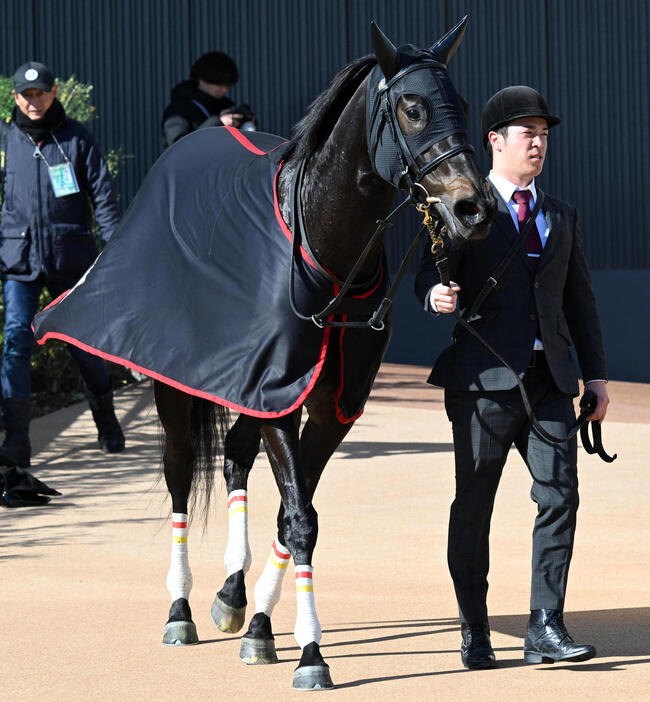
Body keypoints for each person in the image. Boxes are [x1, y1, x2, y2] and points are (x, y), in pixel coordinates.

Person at [415, 86, 609, 669]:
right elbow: (428, 271)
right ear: (495, 141)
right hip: (481, 382)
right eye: (527, 133)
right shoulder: (462, 206)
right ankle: (475, 626)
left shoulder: (562, 216)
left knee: (560, 498)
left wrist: (595, 377)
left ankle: (545, 625)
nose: (539, 143)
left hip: (550, 379)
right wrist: (436, 293)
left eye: (544, 134)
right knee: (474, 506)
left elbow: (581, 303)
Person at [0, 61, 124, 467]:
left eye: (40, 93)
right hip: (19, 261)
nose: (34, 102)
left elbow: (103, 196)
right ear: (15, 97)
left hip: (70, 259)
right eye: (26, 95)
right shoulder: (6, 140)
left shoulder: (76, 139)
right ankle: (17, 440)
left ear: (54, 93)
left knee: (81, 344)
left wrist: (116, 248)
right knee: (17, 341)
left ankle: (105, 420)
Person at [161, 51, 256, 148]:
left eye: (228, 85)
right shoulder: (178, 109)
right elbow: (177, 146)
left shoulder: (223, 107)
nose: (224, 90)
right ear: (202, 80)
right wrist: (218, 123)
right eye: (219, 84)